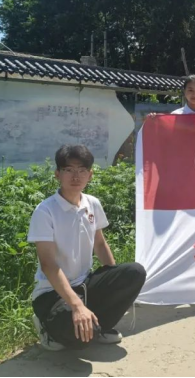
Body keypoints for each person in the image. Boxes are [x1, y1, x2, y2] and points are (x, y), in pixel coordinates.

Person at [28, 145, 147, 351]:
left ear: (90, 175)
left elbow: (99, 243)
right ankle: (46, 326)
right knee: (80, 341)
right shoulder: (45, 211)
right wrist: (76, 306)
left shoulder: (92, 204)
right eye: (68, 170)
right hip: (52, 293)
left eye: (82, 170)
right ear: (57, 174)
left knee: (134, 272)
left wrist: (113, 281)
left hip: (84, 284)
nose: (76, 176)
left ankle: (99, 327)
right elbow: (48, 265)